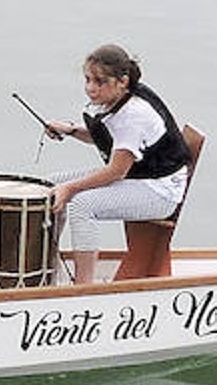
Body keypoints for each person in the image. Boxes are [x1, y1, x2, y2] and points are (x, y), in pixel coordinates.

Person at [44, 44, 190, 285]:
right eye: (88, 79)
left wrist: (71, 189)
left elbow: (116, 171)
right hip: (139, 176)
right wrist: (70, 131)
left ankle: (83, 288)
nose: (90, 88)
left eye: (99, 81)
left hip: (159, 191)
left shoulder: (133, 115)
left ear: (122, 81)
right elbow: (110, 140)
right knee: (49, 185)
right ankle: (47, 266)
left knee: (81, 205)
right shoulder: (120, 98)